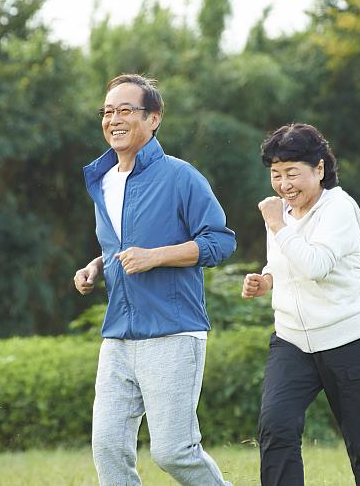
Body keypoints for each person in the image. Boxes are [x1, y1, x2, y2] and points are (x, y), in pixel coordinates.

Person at [74, 73, 235, 485]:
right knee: (108, 447)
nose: (114, 119)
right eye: (107, 111)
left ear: (154, 119)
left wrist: (156, 258)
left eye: (126, 110)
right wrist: (98, 266)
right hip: (119, 336)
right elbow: (122, 246)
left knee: (173, 452)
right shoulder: (102, 181)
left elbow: (220, 242)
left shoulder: (181, 177)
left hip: (173, 331)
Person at [241, 123, 360, 485]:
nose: (284, 185)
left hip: (349, 339)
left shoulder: (339, 208)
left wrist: (278, 225)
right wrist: (265, 280)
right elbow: (286, 263)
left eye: (292, 173)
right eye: (276, 175)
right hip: (292, 340)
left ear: (320, 169)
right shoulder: (281, 213)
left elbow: (314, 266)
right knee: (276, 427)